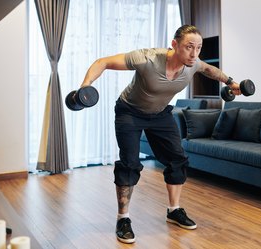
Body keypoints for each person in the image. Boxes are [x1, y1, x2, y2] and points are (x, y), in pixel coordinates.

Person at [80, 25, 241, 244]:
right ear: (174, 45)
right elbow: (103, 62)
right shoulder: (147, 58)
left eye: (199, 48)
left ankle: (174, 210)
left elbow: (209, 70)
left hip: (160, 114)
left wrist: (231, 82)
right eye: (189, 47)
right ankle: (123, 219)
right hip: (130, 111)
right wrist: (85, 87)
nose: (194, 54)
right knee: (130, 163)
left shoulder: (193, 64)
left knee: (177, 159)